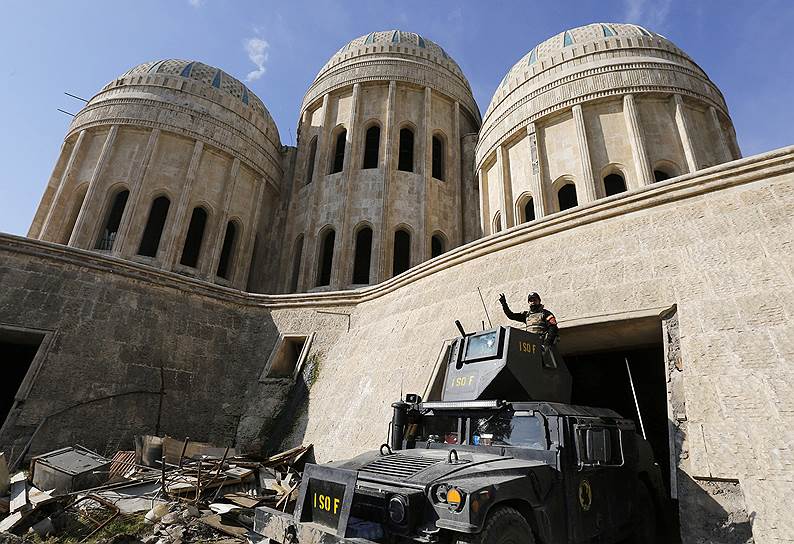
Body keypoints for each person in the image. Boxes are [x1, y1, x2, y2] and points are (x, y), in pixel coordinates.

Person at [498, 291, 561, 367]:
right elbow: (511, 315)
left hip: (541, 344)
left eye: (535, 300)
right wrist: (504, 304)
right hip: (530, 346)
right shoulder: (526, 315)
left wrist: (546, 344)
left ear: (539, 301)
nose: (533, 302)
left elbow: (553, 328)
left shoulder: (546, 313)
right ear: (528, 302)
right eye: (531, 300)